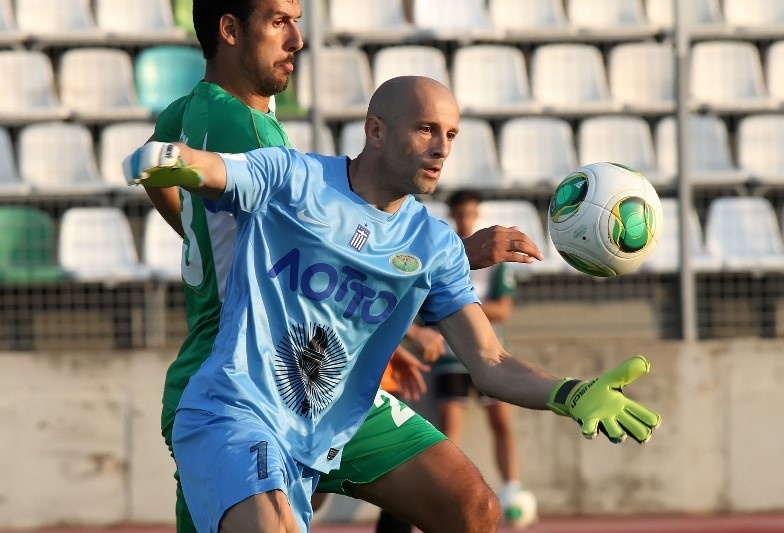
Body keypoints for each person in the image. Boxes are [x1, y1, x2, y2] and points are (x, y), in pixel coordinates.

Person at [125, 75, 662, 533]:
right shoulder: (292, 178)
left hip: (339, 414)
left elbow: (491, 363)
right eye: (426, 129)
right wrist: (170, 160)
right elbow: (216, 170)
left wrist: (569, 392)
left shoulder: (436, 245)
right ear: (376, 130)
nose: (442, 147)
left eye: (451, 134)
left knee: (474, 509)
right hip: (240, 406)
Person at [145, 2, 542, 533]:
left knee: (470, 506)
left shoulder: (193, 107)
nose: (297, 41)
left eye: (298, 22)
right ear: (230, 29)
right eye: (280, 22)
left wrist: (198, 235)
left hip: (308, 370)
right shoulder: (251, 133)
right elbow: (329, 252)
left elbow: (154, 167)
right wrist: (458, 261)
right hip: (241, 369)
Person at [435, 189, 531, 521]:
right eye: (461, 214)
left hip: (490, 354)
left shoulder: (494, 258)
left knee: (501, 422)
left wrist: (460, 306)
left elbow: (504, 309)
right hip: (448, 356)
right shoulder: (443, 252)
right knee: (448, 429)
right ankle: (447, 495)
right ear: (453, 216)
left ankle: (512, 490)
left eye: (471, 213)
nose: (466, 219)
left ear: (478, 215)